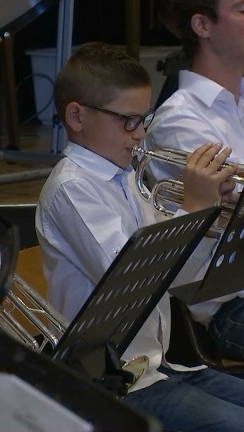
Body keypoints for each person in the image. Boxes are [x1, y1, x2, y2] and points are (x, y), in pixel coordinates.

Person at [35, 41, 244, 431]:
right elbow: (133, 284)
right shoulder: (72, 188)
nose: (140, 134)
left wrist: (214, 218)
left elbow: (178, 281)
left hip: (159, 365)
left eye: (144, 119)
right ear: (77, 117)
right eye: (127, 121)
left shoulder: (126, 178)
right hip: (112, 383)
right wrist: (196, 207)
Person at [145, 0, 244, 361]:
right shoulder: (179, 119)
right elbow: (238, 203)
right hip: (227, 306)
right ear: (202, 25)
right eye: (242, 8)